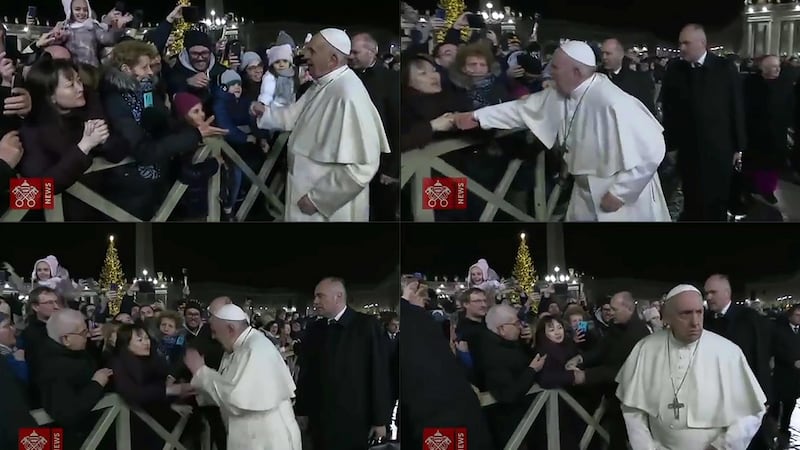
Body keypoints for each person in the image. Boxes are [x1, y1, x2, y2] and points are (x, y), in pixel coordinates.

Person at [453, 40, 670, 222]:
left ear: (576, 72)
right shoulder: (562, 92)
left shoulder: (612, 100)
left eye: (555, 68)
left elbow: (653, 149)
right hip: (584, 190)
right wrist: (478, 116)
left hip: (621, 196)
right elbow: (521, 109)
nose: (549, 72)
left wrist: (622, 192)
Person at [253, 28, 391, 222]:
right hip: (305, 197)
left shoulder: (348, 94)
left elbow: (363, 165)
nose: (304, 55)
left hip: (328, 209)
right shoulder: (323, 83)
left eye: (312, 51)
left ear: (332, 60)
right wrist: (265, 113)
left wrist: (319, 200)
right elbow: (294, 115)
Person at [616, 284, 766, 449]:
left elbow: (751, 412)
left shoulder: (728, 352)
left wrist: (722, 446)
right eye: (685, 314)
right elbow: (632, 410)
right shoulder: (645, 349)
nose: (695, 322)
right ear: (667, 317)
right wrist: (647, 447)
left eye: (699, 312)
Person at [183, 303, 301, 450]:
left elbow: (235, 400)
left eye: (214, 331)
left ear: (231, 329)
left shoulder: (254, 349)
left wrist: (201, 372)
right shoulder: (238, 347)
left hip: (267, 440)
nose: (213, 336)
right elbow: (226, 386)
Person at [660, 24, 745, 221]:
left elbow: (736, 108)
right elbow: (670, 111)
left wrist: (738, 147)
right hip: (688, 149)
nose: (681, 47)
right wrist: (669, 144)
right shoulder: (675, 70)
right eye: (680, 42)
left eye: (686, 43)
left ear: (702, 43)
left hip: (719, 149)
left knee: (717, 199)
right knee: (692, 196)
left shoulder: (725, 68)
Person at [295, 277, 391, 450]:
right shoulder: (315, 329)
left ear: (338, 296)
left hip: (354, 421)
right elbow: (306, 373)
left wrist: (380, 420)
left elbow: (378, 373)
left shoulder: (367, 326)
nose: (315, 301)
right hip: (319, 420)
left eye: (320, 296)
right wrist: (301, 409)